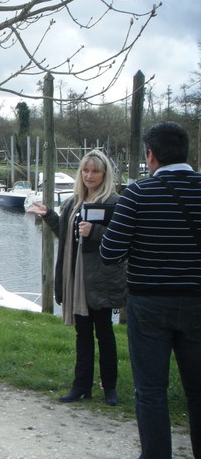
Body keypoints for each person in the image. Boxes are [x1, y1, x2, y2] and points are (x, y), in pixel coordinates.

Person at [101, 121, 201, 458]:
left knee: (151, 390)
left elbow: (110, 253)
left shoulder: (138, 194)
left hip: (149, 303)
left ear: (151, 155)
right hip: (197, 302)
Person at [28, 151, 126, 406]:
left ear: (105, 174)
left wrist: (94, 231)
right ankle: (81, 386)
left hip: (100, 280)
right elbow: (65, 233)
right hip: (75, 278)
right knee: (82, 335)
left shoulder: (115, 202)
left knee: (105, 334)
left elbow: (122, 241)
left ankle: (110, 387)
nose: (89, 176)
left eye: (95, 171)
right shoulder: (73, 202)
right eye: (85, 171)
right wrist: (48, 214)